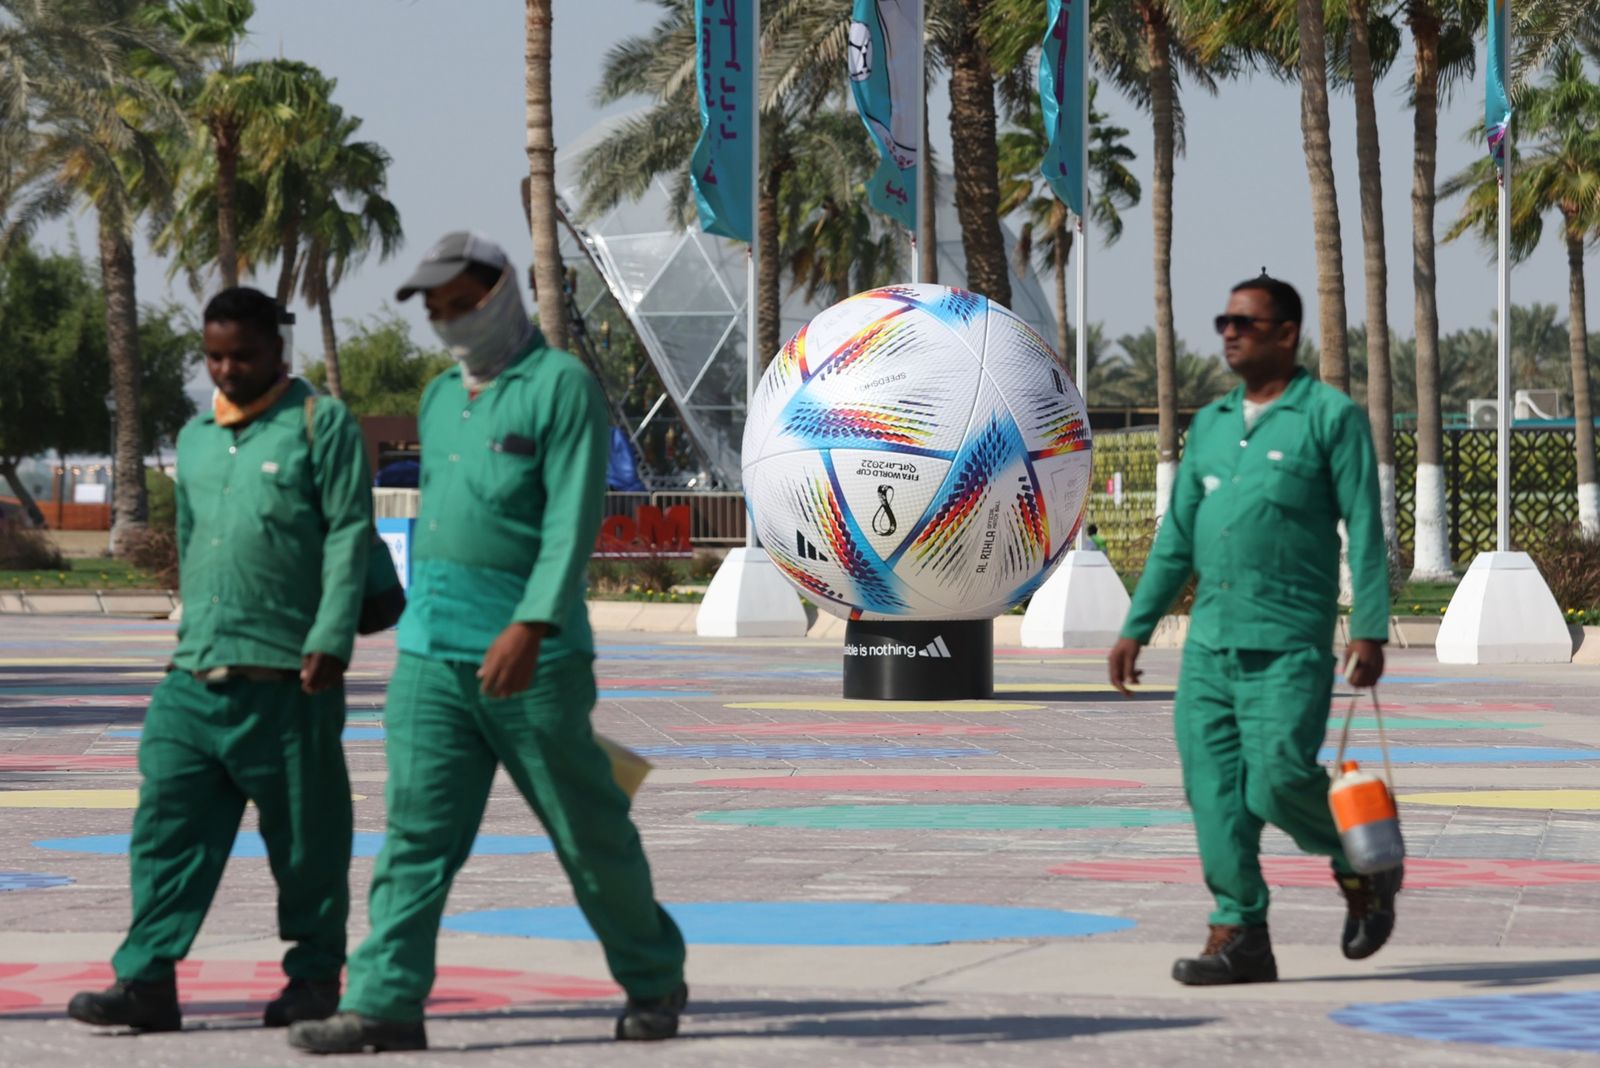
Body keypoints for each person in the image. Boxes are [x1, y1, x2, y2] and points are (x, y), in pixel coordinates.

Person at [290, 232, 687, 1055]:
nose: (448, 322)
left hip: (532, 659)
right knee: (415, 838)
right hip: (431, 657)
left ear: (502, 292)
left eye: (460, 304)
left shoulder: (560, 386)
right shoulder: (439, 398)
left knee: (587, 830)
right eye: (435, 310)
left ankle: (653, 976)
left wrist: (533, 625)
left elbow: (572, 519)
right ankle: (386, 1003)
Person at [68, 287, 372, 1031]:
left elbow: (348, 536)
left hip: (290, 680)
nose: (227, 369)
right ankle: (146, 982)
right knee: (165, 829)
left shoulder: (318, 424)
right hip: (193, 677)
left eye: (244, 355)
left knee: (306, 842)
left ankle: (312, 979)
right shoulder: (198, 435)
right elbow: (192, 542)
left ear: (278, 351)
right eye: (215, 356)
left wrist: (332, 636)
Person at [1107, 274, 1399, 986]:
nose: (1229, 331)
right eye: (1224, 320)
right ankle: (1240, 931)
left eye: (1245, 321)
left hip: (1289, 642)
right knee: (1212, 790)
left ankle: (1364, 865)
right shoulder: (1208, 424)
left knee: (1275, 782)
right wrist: (1135, 626)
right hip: (1209, 646)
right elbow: (1177, 537)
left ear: (1287, 333)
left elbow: (1364, 525)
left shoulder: (1329, 418)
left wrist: (1368, 629)